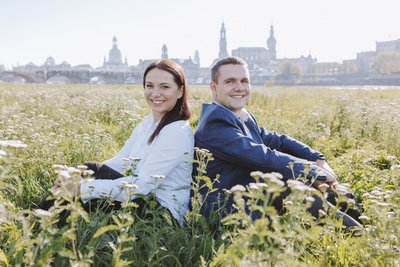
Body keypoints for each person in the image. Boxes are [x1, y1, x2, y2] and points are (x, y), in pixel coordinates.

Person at [193, 56, 361, 227]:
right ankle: (358, 235)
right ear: (214, 87)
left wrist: (317, 159)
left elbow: (276, 140)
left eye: (244, 81)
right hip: (228, 208)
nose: (239, 87)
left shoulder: (238, 114)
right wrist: (312, 172)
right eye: (230, 81)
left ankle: (362, 220)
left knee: (330, 190)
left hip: (253, 192)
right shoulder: (215, 124)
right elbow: (262, 156)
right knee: (297, 187)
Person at [39, 59, 194, 225]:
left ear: (179, 91)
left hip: (161, 215)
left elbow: (141, 186)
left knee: (85, 198)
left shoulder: (177, 132)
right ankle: (42, 219)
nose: (155, 93)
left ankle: (39, 224)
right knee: (88, 170)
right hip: (143, 199)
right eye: (149, 86)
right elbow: (119, 163)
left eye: (165, 86)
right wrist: (75, 177)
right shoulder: (147, 124)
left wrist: (81, 189)